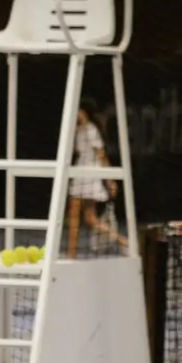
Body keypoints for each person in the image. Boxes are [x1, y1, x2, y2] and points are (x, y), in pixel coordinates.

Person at [66, 99, 125, 257]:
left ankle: (71, 253)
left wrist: (109, 180)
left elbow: (101, 155)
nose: (76, 113)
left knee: (75, 213)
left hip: (89, 174)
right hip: (80, 171)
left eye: (79, 110)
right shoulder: (78, 130)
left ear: (85, 112)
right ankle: (123, 240)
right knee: (89, 218)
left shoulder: (91, 129)